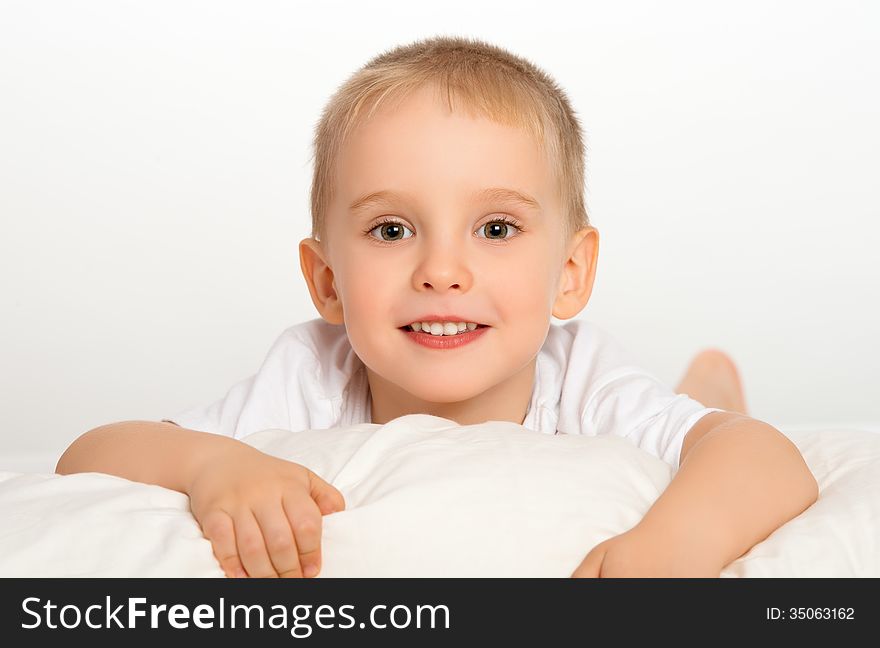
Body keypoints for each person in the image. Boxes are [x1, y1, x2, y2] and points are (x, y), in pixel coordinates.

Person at [56, 36, 817, 579]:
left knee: (691, 422)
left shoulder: (582, 375)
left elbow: (766, 458)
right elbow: (90, 454)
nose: (443, 272)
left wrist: (678, 543)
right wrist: (211, 462)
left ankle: (705, 389)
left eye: (496, 228)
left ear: (570, 273)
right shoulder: (310, 376)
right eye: (391, 229)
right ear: (326, 282)